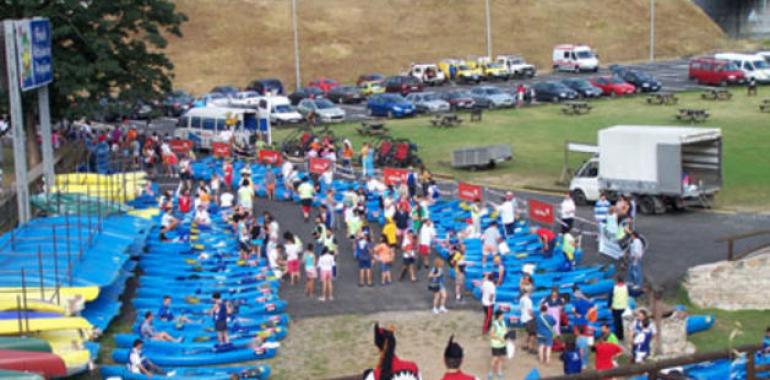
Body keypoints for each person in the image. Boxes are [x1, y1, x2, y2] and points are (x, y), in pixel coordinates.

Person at [608, 276, 630, 341]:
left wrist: (609, 306)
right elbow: (633, 293)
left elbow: (610, 297)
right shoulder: (626, 288)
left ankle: (618, 337)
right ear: (623, 281)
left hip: (615, 308)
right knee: (623, 323)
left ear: (617, 281)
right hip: (624, 308)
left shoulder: (614, 288)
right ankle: (623, 337)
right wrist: (641, 291)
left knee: (617, 323)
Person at [488, 310, 508, 380]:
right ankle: (490, 372)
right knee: (495, 359)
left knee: (501, 358)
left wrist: (507, 334)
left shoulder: (503, 322)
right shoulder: (494, 324)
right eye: (502, 315)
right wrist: (499, 339)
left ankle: (499, 372)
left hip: (503, 344)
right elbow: (491, 334)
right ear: (499, 316)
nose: (503, 316)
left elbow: (505, 330)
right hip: (496, 345)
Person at [519, 289, 536, 354]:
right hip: (529, 318)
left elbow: (520, 309)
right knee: (532, 334)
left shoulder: (521, 299)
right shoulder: (528, 300)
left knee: (528, 333)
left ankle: (525, 345)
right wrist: (534, 316)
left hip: (523, 318)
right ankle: (530, 348)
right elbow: (529, 311)